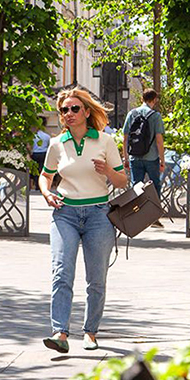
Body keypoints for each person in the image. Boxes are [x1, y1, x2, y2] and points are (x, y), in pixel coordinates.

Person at [39, 88, 128, 353]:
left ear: (87, 112)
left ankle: (90, 332)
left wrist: (108, 170)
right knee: (61, 272)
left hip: (98, 215)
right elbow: (45, 176)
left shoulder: (104, 141)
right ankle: (60, 333)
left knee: (96, 278)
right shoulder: (57, 144)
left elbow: (122, 181)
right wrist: (46, 193)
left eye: (74, 109)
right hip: (64, 213)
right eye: (64, 110)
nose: (69, 114)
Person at [122, 89, 166, 227]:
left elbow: (125, 138)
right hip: (151, 157)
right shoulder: (155, 116)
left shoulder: (132, 113)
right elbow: (159, 140)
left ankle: (136, 216)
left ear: (142, 98)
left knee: (137, 186)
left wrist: (126, 157)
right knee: (154, 186)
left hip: (135, 156)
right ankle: (153, 218)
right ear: (154, 100)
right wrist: (162, 160)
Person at [31, 122, 51, 188]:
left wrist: (30, 153)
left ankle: (36, 184)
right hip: (44, 153)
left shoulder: (34, 136)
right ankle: (42, 185)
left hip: (35, 153)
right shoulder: (47, 136)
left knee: (35, 169)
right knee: (42, 169)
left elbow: (30, 146)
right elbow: (49, 146)